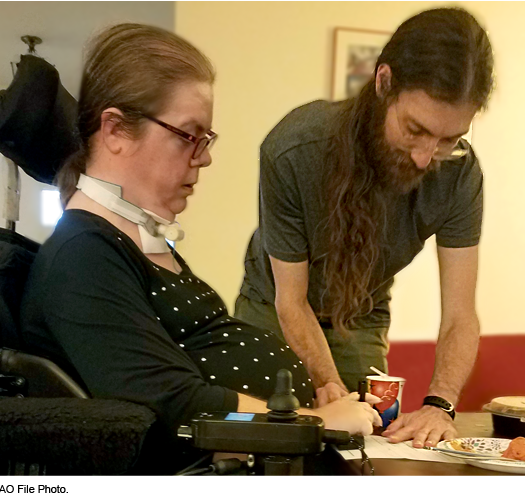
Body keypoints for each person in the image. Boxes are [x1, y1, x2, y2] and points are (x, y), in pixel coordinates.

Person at [20, 23, 380, 473]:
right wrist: (316, 420)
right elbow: (176, 403)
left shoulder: (136, 242)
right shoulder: (81, 258)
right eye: (188, 136)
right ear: (114, 130)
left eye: (205, 139)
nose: (204, 157)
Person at [235, 7, 494, 448]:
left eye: (449, 139)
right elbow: (290, 302)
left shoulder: (460, 174)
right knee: (273, 443)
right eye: (415, 129)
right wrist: (330, 389)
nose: (425, 157)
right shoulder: (295, 149)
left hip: (362, 314)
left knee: (366, 448)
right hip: (273, 312)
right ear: (383, 82)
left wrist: (441, 403)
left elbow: (460, 315)